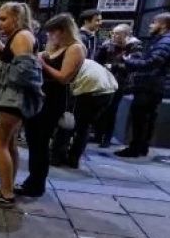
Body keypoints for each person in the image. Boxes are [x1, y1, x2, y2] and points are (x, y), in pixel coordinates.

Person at [17, 14, 85, 196]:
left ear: (63, 31)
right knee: (33, 141)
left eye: (53, 32)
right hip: (40, 98)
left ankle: (36, 184)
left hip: (53, 100)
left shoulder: (75, 48)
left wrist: (43, 65)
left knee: (40, 143)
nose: (50, 36)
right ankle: (32, 180)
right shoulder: (56, 48)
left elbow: (64, 77)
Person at [0, 2, 43, 206]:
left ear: (16, 18)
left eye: (4, 18)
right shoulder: (22, 36)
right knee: (8, 144)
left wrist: (0, 66)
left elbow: (24, 73)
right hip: (12, 99)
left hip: (10, 99)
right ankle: (6, 187)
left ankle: (6, 193)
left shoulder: (21, 37)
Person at [115, 13, 170, 157]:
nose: (150, 26)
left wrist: (129, 61)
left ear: (163, 25)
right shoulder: (162, 40)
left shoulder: (164, 41)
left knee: (140, 118)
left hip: (149, 86)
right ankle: (141, 147)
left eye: (154, 23)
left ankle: (135, 148)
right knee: (146, 118)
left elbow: (151, 63)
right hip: (153, 85)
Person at [51, 59, 117, 167]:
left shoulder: (68, 62)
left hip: (89, 89)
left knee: (68, 121)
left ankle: (56, 157)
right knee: (84, 126)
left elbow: (65, 82)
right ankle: (73, 159)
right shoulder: (84, 60)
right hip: (108, 91)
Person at [94, 24, 140, 147]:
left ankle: (107, 138)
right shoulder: (109, 44)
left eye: (118, 34)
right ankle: (98, 135)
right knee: (102, 108)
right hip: (106, 80)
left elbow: (133, 65)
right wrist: (102, 48)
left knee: (111, 109)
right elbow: (98, 60)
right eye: (113, 33)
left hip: (121, 82)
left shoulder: (134, 46)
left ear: (126, 35)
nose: (114, 36)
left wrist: (113, 66)